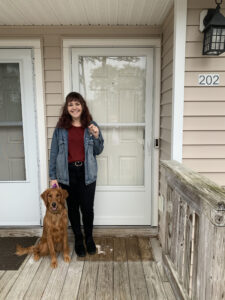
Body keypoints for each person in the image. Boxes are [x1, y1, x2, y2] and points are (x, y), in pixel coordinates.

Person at [49, 92, 104, 257]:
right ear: (67, 108)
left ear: (82, 106)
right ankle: (78, 240)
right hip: (67, 174)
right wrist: (53, 177)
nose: (74, 107)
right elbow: (54, 153)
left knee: (87, 209)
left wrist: (96, 136)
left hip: (87, 173)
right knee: (72, 209)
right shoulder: (60, 129)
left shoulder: (91, 125)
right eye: (71, 104)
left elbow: (98, 150)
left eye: (77, 104)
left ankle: (89, 239)